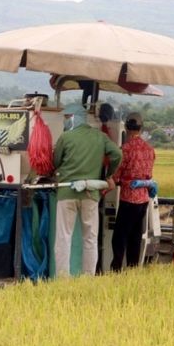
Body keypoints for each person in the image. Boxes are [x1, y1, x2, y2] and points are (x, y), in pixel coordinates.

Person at [53, 103, 122, 277]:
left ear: (75, 117)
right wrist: (109, 175)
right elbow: (117, 154)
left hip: (66, 192)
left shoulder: (65, 137)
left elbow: (55, 162)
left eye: (67, 118)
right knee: (90, 237)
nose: (66, 121)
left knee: (64, 236)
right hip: (91, 193)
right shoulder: (100, 137)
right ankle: (88, 277)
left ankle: (63, 278)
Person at [110, 112, 156, 271]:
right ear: (141, 128)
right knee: (135, 237)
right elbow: (149, 175)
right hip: (143, 199)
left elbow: (116, 176)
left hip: (128, 200)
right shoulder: (150, 149)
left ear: (127, 128)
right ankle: (132, 269)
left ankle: (116, 270)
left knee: (119, 238)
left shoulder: (125, 149)